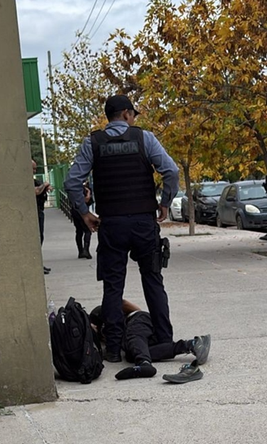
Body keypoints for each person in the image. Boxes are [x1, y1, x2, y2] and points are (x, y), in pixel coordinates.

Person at [64, 94, 180, 363]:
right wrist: (164, 204)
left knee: (113, 287)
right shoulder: (144, 138)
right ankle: (163, 340)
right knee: (152, 281)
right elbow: (171, 172)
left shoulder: (92, 143)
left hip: (111, 224)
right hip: (143, 222)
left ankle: (114, 349)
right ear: (127, 114)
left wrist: (85, 214)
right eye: (133, 115)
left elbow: (72, 183)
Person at [89, 300, 210, 382]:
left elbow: (122, 303)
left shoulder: (98, 313)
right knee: (131, 354)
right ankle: (192, 344)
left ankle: (144, 363)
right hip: (142, 332)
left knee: (134, 338)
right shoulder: (106, 336)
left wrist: (137, 314)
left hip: (138, 320)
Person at [32, 160, 52, 274]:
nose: (34, 171)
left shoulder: (35, 181)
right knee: (37, 239)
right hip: (34, 213)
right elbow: (37, 191)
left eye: (35, 169)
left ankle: (39, 263)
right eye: (32, 169)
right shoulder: (27, 182)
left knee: (41, 238)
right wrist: (44, 185)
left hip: (40, 211)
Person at [71, 182, 94, 259]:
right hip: (82, 211)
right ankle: (86, 250)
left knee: (79, 231)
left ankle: (80, 251)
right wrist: (89, 193)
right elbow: (86, 200)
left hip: (74, 211)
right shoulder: (84, 189)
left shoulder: (72, 189)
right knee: (87, 230)